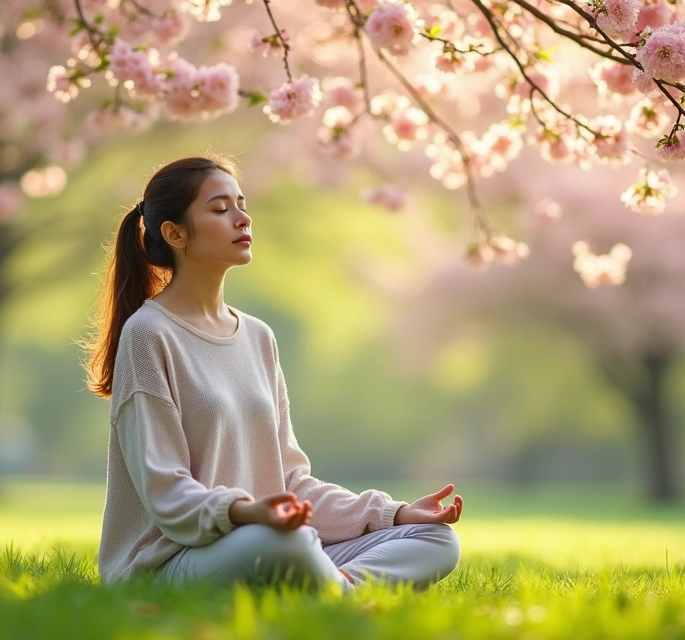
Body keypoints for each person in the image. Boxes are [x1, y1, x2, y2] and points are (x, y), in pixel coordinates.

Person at [85, 155, 463, 591]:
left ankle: (333, 589)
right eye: (220, 208)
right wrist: (247, 513)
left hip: (271, 537)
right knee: (287, 542)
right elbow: (165, 492)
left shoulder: (258, 337)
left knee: (435, 538)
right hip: (173, 559)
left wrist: (392, 514)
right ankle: (339, 590)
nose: (242, 218)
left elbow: (291, 483)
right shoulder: (148, 334)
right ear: (174, 233)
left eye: (241, 204)